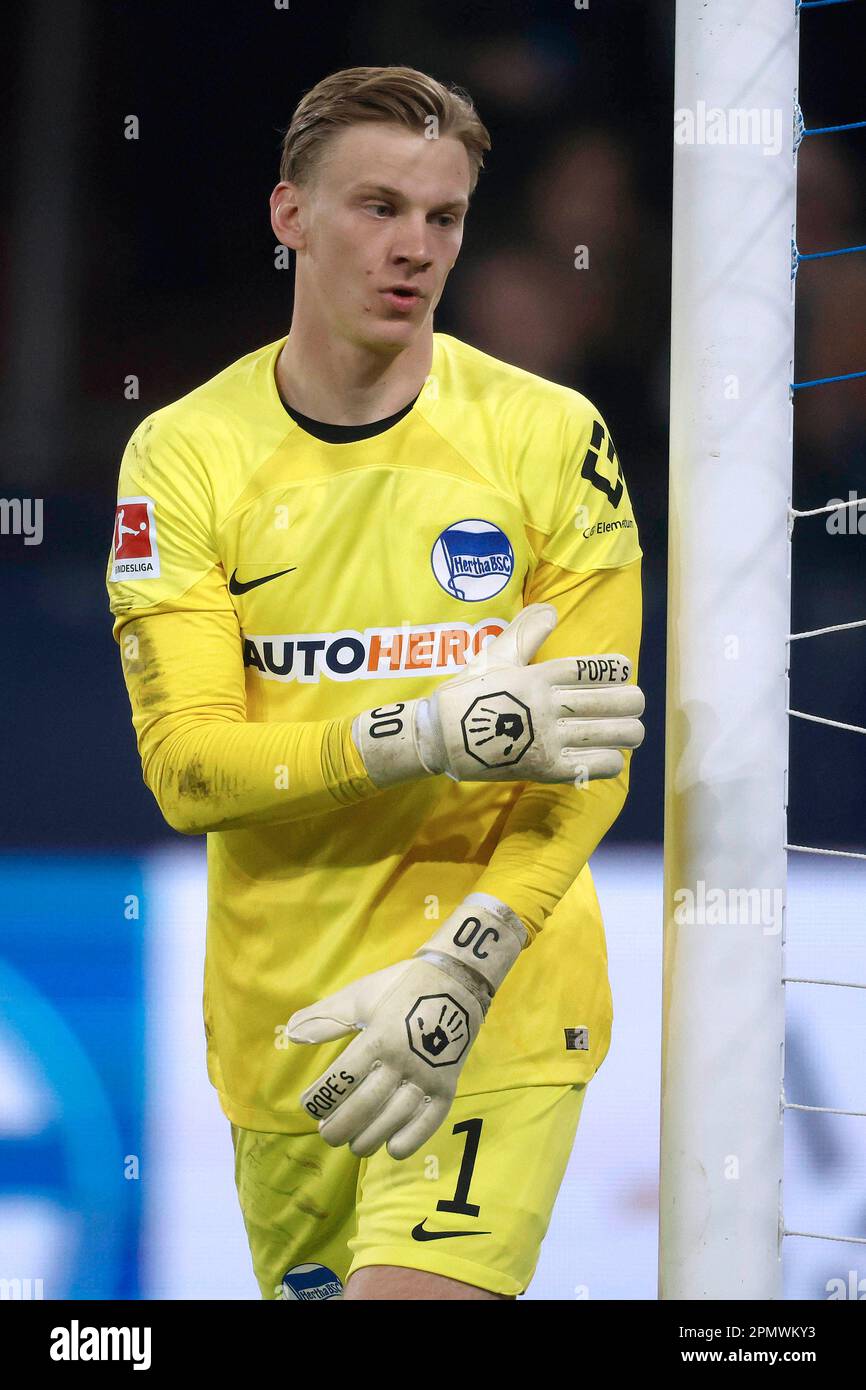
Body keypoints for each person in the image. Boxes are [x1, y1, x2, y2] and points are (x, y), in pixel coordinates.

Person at [106, 64, 645, 1302]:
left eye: (443, 218)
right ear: (288, 214)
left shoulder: (550, 436)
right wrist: (420, 729)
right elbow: (190, 772)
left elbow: (590, 751)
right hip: (284, 1025)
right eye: (377, 207)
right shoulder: (182, 454)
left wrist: (465, 961)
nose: (413, 248)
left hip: (494, 995)